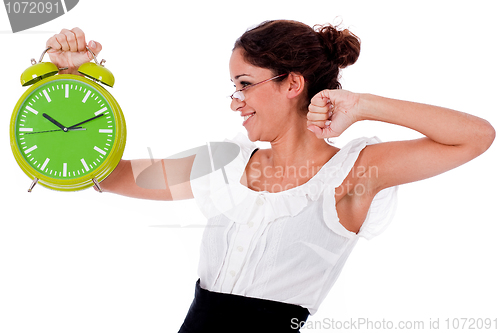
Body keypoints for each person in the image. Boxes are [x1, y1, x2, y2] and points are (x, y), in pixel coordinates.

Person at [45, 21, 495, 332]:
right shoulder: (224, 163)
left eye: (245, 84)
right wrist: (73, 82)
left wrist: (363, 104)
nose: (235, 100)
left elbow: (476, 137)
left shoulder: (353, 174)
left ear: (292, 84)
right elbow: (100, 174)